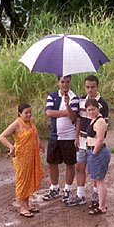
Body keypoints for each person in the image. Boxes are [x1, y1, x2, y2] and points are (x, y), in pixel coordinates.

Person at [67, 75, 109, 208]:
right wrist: (76, 137)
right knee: (80, 167)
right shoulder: (81, 101)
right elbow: (78, 120)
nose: (90, 90)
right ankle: (80, 195)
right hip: (82, 140)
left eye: (92, 87)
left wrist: (97, 144)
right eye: (87, 87)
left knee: (96, 171)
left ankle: (96, 194)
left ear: (97, 87)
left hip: (94, 142)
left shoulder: (102, 104)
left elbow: (103, 127)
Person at [0, 103, 45, 218]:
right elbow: (1, 137)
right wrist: (11, 147)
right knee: (22, 180)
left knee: (29, 179)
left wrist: (39, 143)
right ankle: (22, 208)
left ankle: (27, 205)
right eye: (26, 113)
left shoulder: (31, 121)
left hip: (32, 155)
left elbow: (35, 134)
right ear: (20, 113)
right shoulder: (16, 124)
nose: (29, 115)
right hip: (21, 157)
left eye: (30, 112)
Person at [42, 75, 79, 203]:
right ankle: (54, 187)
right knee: (52, 162)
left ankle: (67, 189)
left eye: (67, 82)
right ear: (58, 82)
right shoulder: (52, 96)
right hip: (55, 135)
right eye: (62, 82)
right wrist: (64, 113)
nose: (65, 85)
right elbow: (49, 113)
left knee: (70, 163)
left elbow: (73, 117)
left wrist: (67, 105)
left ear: (70, 82)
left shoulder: (74, 98)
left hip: (69, 136)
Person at [84, 99, 111, 215]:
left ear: (98, 109)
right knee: (97, 179)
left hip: (98, 152)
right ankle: (100, 203)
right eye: (89, 110)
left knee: (100, 181)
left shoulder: (100, 121)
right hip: (93, 151)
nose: (91, 112)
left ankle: (102, 207)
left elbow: (100, 140)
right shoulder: (93, 120)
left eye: (93, 109)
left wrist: (94, 153)